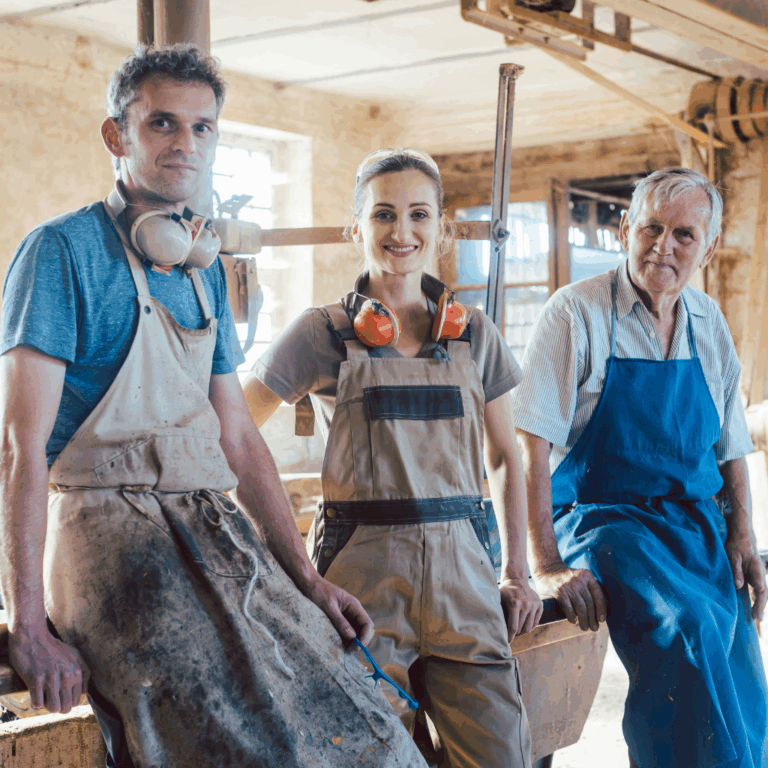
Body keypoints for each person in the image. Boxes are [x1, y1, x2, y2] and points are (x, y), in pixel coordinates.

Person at [0, 44, 428, 768]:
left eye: (203, 128)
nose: (185, 144)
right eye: (162, 124)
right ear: (117, 136)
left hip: (212, 524)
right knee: (237, 740)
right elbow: (19, 447)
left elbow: (238, 434)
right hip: (112, 538)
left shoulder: (201, 271)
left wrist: (306, 578)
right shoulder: (60, 253)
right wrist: (28, 625)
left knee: (363, 721)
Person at [244, 147, 542, 768]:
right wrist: (294, 565)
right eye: (383, 215)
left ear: (442, 226)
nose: (401, 232)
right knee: (370, 757)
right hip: (361, 590)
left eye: (418, 214)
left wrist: (518, 571)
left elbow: (507, 457)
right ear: (357, 227)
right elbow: (233, 432)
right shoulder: (321, 333)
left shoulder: (476, 334)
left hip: (468, 584)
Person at [512, 167, 768, 767]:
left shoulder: (708, 322)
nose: (665, 246)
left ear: (707, 247)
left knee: (740, 657)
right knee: (684, 629)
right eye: (651, 227)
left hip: (693, 524)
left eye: (685, 234)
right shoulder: (575, 313)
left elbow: (731, 446)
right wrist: (545, 565)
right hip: (604, 521)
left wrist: (744, 535)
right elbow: (531, 448)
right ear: (624, 228)